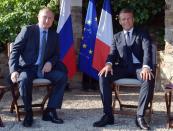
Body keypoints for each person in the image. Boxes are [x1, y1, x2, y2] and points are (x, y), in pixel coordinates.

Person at [93, 8, 154, 130]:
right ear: (120, 21)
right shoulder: (117, 37)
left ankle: (140, 117)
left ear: (133, 19)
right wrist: (109, 64)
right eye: (123, 19)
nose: (126, 21)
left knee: (148, 79)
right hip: (122, 68)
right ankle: (108, 115)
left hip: (139, 68)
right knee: (103, 75)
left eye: (129, 18)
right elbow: (112, 53)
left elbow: (147, 51)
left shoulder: (142, 33)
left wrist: (146, 67)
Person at [8, 7, 67, 127]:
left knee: (62, 77)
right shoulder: (28, 30)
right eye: (45, 17)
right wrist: (13, 70)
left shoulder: (54, 35)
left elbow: (56, 55)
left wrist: (50, 62)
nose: (47, 20)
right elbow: (15, 51)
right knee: (23, 80)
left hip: (45, 69)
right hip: (28, 68)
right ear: (38, 18)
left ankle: (50, 111)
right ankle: (28, 112)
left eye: (50, 18)